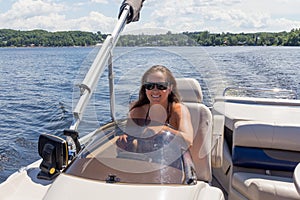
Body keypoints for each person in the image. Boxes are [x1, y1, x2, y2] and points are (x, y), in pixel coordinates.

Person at [118, 65, 194, 149]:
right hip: (143, 160)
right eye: (149, 86)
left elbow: (188, 141)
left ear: (170, 88)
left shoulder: (178, 110)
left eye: (161, 86)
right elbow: (133, 143)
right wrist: (125, 142)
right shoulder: (137, 111)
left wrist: (163, 130)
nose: (155, 90)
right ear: (145, 88)